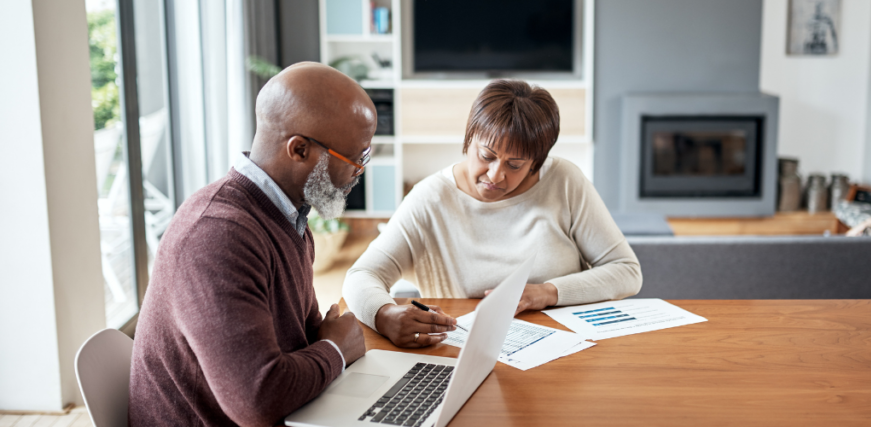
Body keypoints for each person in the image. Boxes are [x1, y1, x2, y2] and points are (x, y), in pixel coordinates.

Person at [129, 63, 373, 426]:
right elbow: (257, 400)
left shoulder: (289, 219)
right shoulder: (216, 237)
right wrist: (336, 350)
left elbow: (309, 341)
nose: (358, 172)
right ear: (300, 149)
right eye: (354, 159)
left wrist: (331, 344)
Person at [343, 79, 642, 348]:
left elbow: (627, 272)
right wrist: (384, 315)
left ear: (536, 163)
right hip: (466, 351)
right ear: (469, 138)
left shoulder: (564, 181)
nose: (495, 176)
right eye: (486, 156)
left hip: (570, 348)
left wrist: (547, 292)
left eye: (515, 165)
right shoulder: (430, 199)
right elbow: (362, 275)